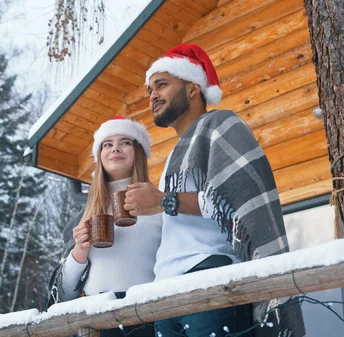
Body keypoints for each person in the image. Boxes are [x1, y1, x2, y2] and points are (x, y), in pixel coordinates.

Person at [124, 44, 305, 337]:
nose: (153, 96)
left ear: (193, 88)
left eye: (162, 85)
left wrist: (162, 200)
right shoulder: (174, 155)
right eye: (149, 90)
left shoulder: (221, 125)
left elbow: (234, 202)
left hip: (209, 274)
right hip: (165, 286)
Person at [47, 116, 162, 337]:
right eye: (107, 144)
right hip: (96, 319)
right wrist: (79, 251)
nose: (115, 148)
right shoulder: (85, 214)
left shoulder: (157, 204)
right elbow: (64, 293)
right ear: (100, 156)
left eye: (125, 142)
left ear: (138, 152)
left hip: (147, 315)